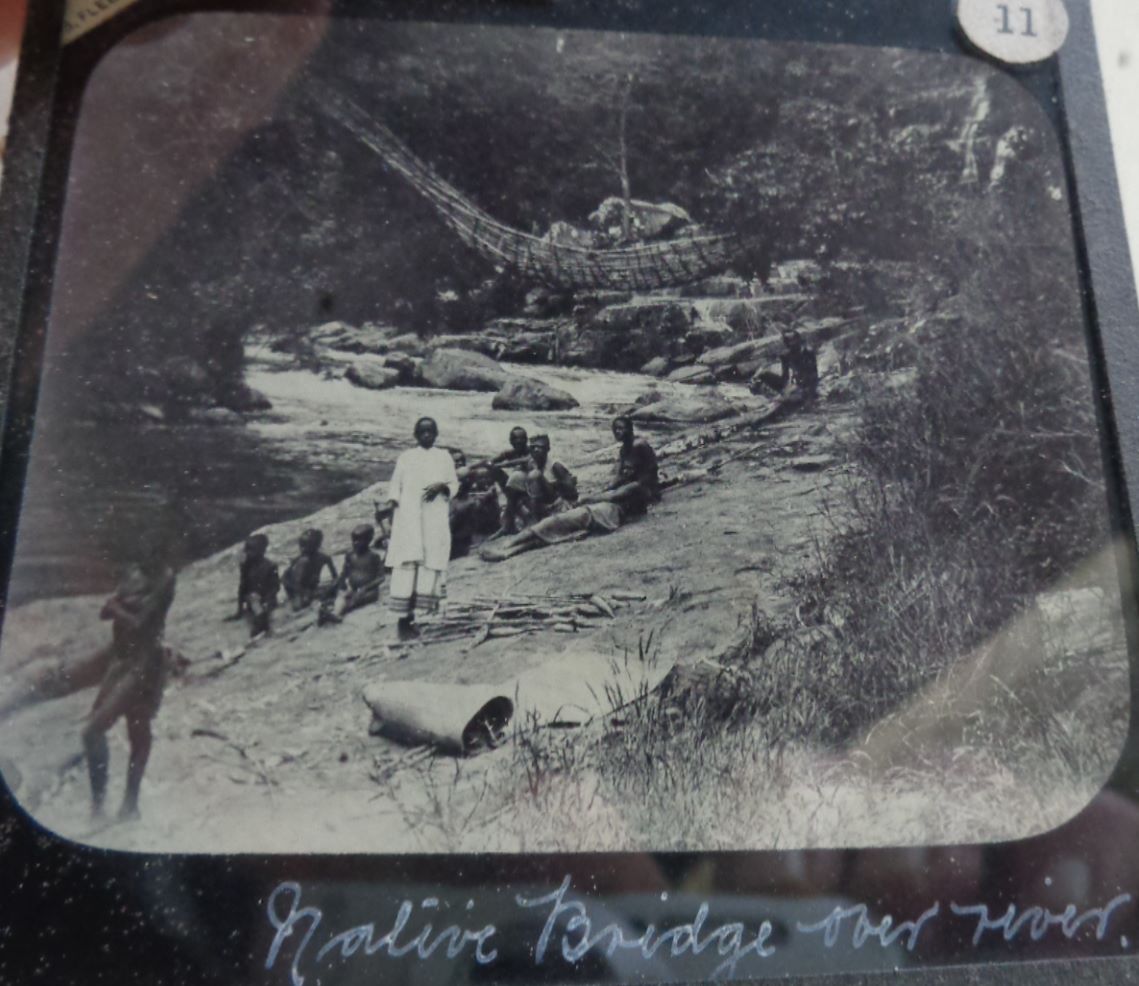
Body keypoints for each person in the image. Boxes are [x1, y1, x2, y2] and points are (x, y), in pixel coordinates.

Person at [82, 547, 177, 820]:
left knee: (109, 729)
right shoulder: (136, 572)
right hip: (123, 662)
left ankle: (124, 805)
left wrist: (118, 606)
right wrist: (119, 604)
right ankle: (111, 806)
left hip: (145, 663)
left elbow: (139, 624)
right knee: (129, 727)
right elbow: (105, 612)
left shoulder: (165, 578)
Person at [480, 417, 658, 562]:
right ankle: (510, 549)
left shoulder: (637, 486)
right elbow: (615, 484)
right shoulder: (628, 468)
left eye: (630, 468)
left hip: (608, 512)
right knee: (558, 526)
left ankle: (508, 547)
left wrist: (587, 498)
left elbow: (614, 495)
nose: (626, 470)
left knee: (558, 523)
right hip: (601, 510)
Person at [377, 417, 459, 641]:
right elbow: (396, 485)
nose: (426, 436)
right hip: (409, 520)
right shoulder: (406, 458)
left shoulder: (444, 457)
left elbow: (454, 485)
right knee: (408, 564)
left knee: (430, 562)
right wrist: (391, 504)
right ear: (415, 435)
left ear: (436, 434)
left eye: (430, 432)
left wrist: (442, 486)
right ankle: (403, 620)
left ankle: (418, 616)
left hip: (434, 519)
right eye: (422, 432)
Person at [500, 434, 579, 533]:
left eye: (540, 447)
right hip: (541, 502)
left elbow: (573, 493)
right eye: (533, 447)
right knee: (516, 477)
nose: (536, 450)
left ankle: (535, 521)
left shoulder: (556, 465)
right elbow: (516, 465)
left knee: (535, 475)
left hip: (559, 504)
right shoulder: (532, 462)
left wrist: (554, 485)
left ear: (547, 449)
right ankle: (509, 524)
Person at [320, 524, 385, 624]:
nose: (355, 543)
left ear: (369, 540)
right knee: (341, 595)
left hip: (369, 591)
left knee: (355, 599)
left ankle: (337, 615)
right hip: (353, 588)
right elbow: (345, 572)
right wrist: (339, 584)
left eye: (359, 540)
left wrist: (366, 587)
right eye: (353, 540)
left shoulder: (373, 556)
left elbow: (381, 578)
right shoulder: (350, 555)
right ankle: (334, 612)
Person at [448, 449, 501, 559]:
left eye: (461, 460)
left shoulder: (470, 475)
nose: (459, 463)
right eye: (456, 461)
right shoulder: (446, 477)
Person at [230, 533, 280, 637]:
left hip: (267, 598)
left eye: (251, 550)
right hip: (253, 599)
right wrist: (239, 610)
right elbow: (243, 586)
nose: (247, 553)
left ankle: (261, 623)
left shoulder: (270, 566)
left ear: (262, 550)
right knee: (253, 599)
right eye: (246, 549)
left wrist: (267, 601)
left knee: (258, 607)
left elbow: (275, 587)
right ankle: (260, 621)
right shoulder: (246, 566)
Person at [750, 328, 819, 400]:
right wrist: (786, 389)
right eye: (788, 341)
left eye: (793, 340)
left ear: (798, 340)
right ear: (786, 343)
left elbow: (814, 375)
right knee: (763, 374)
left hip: (807, 385)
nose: (792, 343)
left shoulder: (807, 352)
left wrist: (805, 389)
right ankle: (760, 397)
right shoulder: (785, 356)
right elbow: (785, 377)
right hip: (795, 385)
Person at [282, 528, 338, 611]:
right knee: (300, 604)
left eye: (305, 545)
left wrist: (333, 586)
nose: (302, 549)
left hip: (310, 589)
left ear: (316, 545)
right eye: (301, 545)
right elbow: (289, 581)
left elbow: (335, 577)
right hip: (297, 591)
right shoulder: (301, 561)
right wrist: (304, 593)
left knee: (333, 590)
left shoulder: (324, 558)